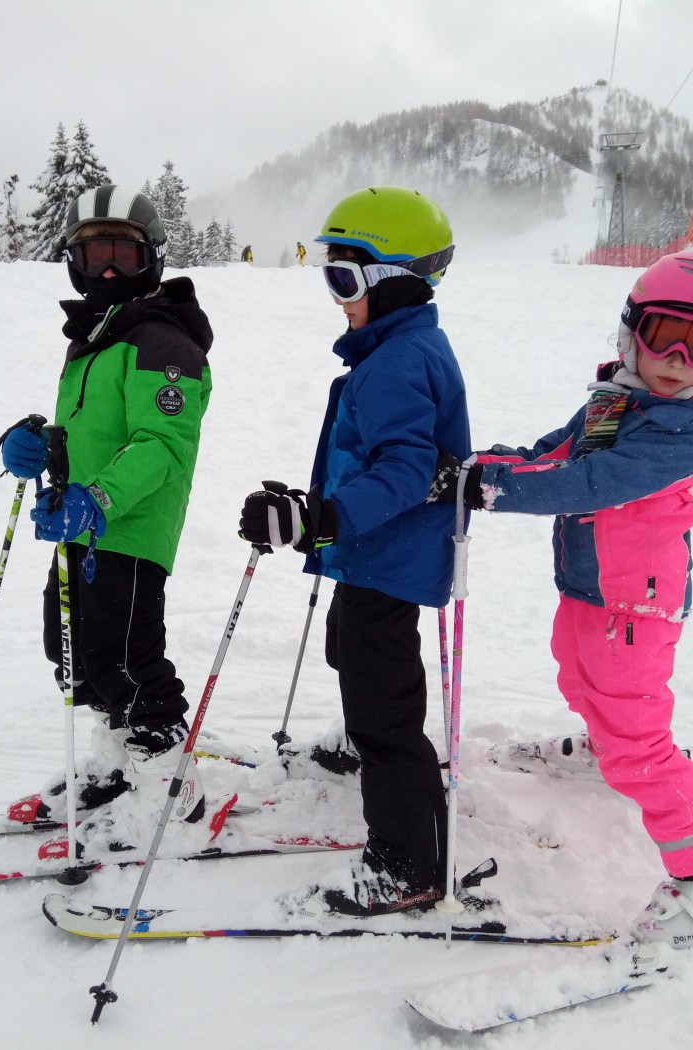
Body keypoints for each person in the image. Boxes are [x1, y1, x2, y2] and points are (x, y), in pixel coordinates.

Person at [434, 251, 693, 958]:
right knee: (580, 681)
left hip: (635, 606)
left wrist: (490, 489)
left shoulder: (684, 430)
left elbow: (589, 483)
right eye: (665, 335)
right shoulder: (619, 399)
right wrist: (477, 467)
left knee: (639, 738)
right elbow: (558, 456)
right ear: (633, 329)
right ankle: (608, 749)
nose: (677, 360)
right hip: (591, 588)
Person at [237, 186, 468, 916]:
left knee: (384, 707)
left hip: (387, 554)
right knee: (349, 648)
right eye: (328, 275)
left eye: (344, 278)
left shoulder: (399, 361)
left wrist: (324, 516)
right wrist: (322, 513)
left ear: (393, 280)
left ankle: (407, 866)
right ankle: (356, 742)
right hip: (373, 551)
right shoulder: (393, 351)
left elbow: (405, 468)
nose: (335, 297)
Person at [0, 185, 214, 839]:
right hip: (83, 526)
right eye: (95, 256)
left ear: (152, 258)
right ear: (74, 263)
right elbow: (95, 431)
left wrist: (99, 497)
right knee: (73, 652)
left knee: (125, 662)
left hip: (130, 528)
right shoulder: (96, 338)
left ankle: (173, 791)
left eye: (124, 253)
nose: (110, 270)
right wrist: (44, 446)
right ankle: (119, 763)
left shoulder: (161, 341)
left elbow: (163, 445)